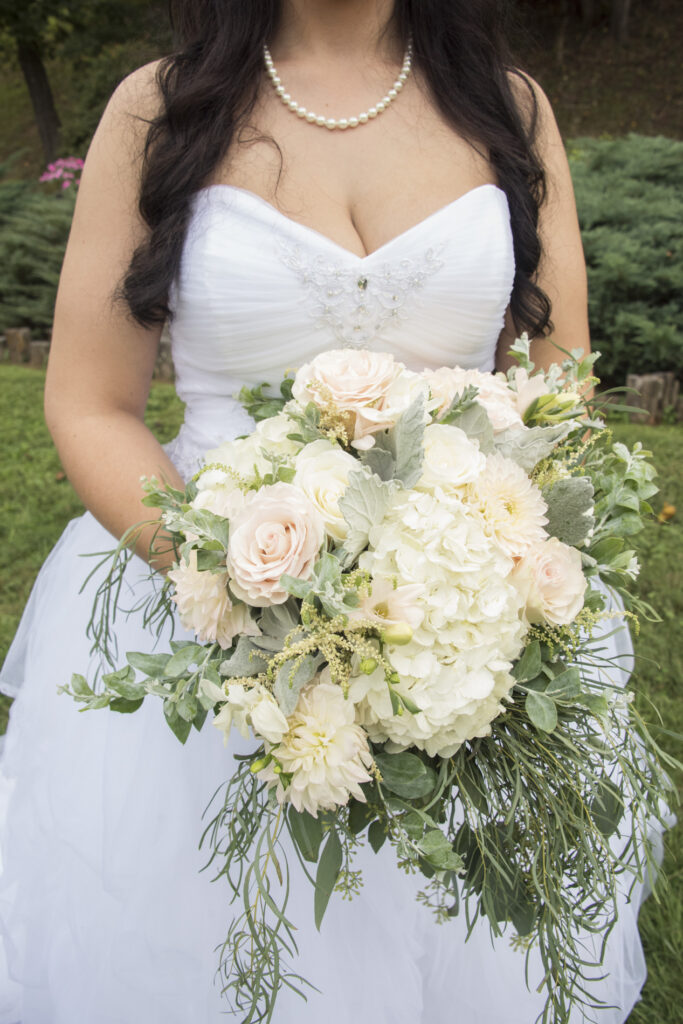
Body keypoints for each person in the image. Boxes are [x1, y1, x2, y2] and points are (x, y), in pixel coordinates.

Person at [0, 1, 663, 1021]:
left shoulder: (508, 111)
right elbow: (89, 401)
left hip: (448, 619)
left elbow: (556, 388)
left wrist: (470, 579)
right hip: (201, 609)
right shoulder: (162, 108)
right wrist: (241, 584)